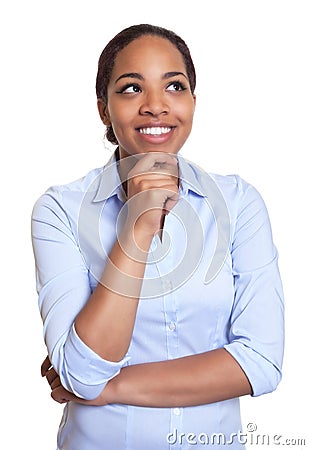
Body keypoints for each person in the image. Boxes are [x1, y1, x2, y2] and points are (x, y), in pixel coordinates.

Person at [31, 24, 284, 450]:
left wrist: (109, 389)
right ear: (103, 108)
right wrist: (137, 230)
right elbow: (85, 371)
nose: (156, 106)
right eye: (131, 88)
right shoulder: (61, 210)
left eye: (174, 86)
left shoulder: (239, 203)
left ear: (192, 102)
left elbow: (259, 364)